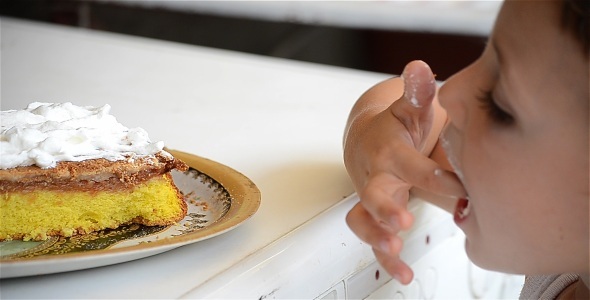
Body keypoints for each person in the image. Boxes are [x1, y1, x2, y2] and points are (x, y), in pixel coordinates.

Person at [343, 0, 589, 298]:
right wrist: (380, 147)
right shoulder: (562, 249)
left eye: (499, 106)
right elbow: (404, 117)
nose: (448, 92)